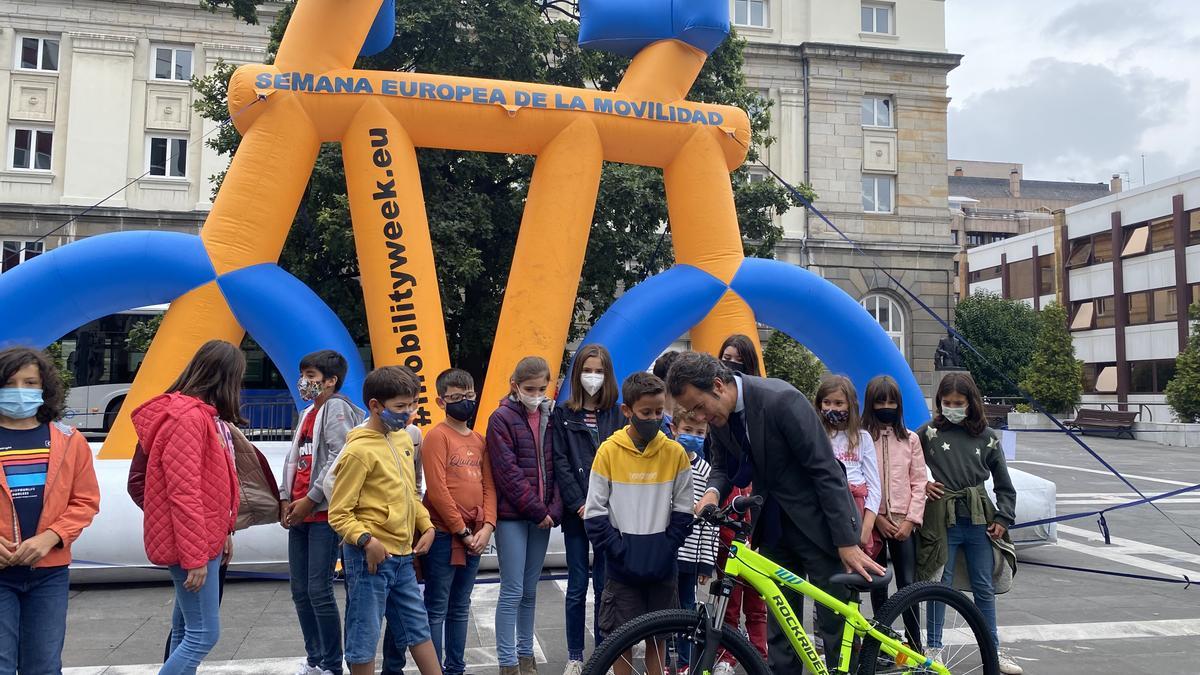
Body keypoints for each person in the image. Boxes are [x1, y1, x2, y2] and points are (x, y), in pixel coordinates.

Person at [668, 352, 883, 673]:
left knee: (834, 623)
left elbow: (825, 470)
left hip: (822, 525)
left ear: (717, 386)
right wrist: (712, 493)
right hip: (773, 527)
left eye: (699, 407)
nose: (699, 417)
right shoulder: (720, 417)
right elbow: (723, 466)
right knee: (782, 628)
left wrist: (847, 542)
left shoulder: (782, 400)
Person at [132, 340, 243, 675]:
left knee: (185, 631)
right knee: (204, 634)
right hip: (193, 546)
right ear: (224, 379)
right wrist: (195, 556)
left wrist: (223, 530)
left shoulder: (190, 415)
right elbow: (184, 492)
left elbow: (203, 487)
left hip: (199, 539)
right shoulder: (189, 419)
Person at [327, 365, 440, 675]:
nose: (409, 412)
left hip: (403, 555)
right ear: (375, 406)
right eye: (400, 406)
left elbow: (409, 493)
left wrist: (425, 524)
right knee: (364, 633)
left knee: (418, 627)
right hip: (370, 559)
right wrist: (366, 541)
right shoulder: (359, 451)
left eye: (413, 404)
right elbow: (339, 512)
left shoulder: (404, 440)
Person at [0, 347, 100, 674]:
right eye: (9, 382)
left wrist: (51, 537)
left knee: (43, 666)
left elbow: (85, 501)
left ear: (44, 387)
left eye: (30, 383)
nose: (20, 391)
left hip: (49, 575)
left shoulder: (69, 440)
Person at [584, 373, 693, 675]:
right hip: (621, 568)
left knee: (660, 638)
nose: (654, 418)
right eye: (646, 413)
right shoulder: (608, 451)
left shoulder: (675, 453)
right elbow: (594, 513)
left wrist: (665, 548)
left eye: (659, 412)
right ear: (627, 411)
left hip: (662, 566)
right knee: (621, 641)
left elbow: (684, 513)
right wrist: (618, 550)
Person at [918, 372, 1020, 674]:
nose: (952, 407)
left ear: (971, 403)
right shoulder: (928, 433)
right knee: (939, 584)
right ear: (939, 402)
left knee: (983, 587)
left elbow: (1004, 483)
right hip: (941, 521)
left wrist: (1003, 517)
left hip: (979, 522)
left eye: (958, 403)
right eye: (946, 402)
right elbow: (906, 463)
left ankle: (993, 650)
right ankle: (933, 651)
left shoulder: (987, 437)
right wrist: (923, 483)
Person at [281, 350, 364, 675]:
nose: (305, 382)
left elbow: (338, 457)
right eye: (304, 375)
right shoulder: (307, 413)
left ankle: (331, 663)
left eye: (312, 377)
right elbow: (295, 460)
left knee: (318, 589)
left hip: (323, 515)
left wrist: (311, 499)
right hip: (299, 513)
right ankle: (314, 658)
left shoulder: (335, 408)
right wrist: (285, 498)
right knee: (299, 590)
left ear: (331, 381)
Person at [487, 356, 563, 675]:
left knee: (531, 589)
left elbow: (560, 463)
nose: (536, 394)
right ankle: (507, 662)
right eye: (530, 388)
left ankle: (525, 655)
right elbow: (507, 472)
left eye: (542, 389)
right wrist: (538, 510)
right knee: (513, 589)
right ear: (515, 385)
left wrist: (553, 510)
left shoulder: (550, 413)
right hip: (513, 516)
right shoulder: (500, 418)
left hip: (543, 516)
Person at [551, 344, 622, 674]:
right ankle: (576, 655)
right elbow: (561, 462)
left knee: (605, 586)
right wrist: (580, 504)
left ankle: (604, 652)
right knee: (577, 585)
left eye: (599, 370)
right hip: (577, 513)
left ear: (607, 375)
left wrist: (605, 506)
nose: (593, 376)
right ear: (578, 373)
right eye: (587, 370)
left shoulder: (618, 414)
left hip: (610, 514)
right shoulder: (563, 414)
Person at [421, 368, 497, 675]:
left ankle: (456, 667)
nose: (464, 402)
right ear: (441, 401)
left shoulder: (480, 440)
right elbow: (437, 490)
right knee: (436, 606)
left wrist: (487, 526)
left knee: (461, 606)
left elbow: (489, 486)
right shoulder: (436, 437)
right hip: (444, 535)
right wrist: (462, 531)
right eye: (456, 397)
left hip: (475, 536)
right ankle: (435, 669)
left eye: (468, 396)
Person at [861, 375, 926, 645]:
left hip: (903, 523)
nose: (886, 406)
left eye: (891, 401)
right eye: (880, 401)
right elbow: (860, 479)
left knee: (907, 585)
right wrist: (876, 519)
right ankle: (883, 641)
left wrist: (911, 521)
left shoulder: (910, 439)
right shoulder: (863, 438)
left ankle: (915, 643)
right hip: (875, 520)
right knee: (879, 585)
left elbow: (919, 482)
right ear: (870, 404)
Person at [670, 406, 719, 675]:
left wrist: (706, 564)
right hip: (668, 551)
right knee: (665, 607)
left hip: (692, 555)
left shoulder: (707, 471)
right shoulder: (666, 463)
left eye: (699, 432)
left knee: (688, 608)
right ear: (674, 429)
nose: (693, 436)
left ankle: (685, 662)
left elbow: (711, 524)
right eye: (687, 430)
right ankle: (665, 660)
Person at [815, 375, 881, 558]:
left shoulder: (863, 438)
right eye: (826, 402)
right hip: (825, 507)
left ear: (850, 405)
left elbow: (874, 487)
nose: (831, 408)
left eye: (838, 403)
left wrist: (866, 529)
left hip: (855, 510)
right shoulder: (816, 435)